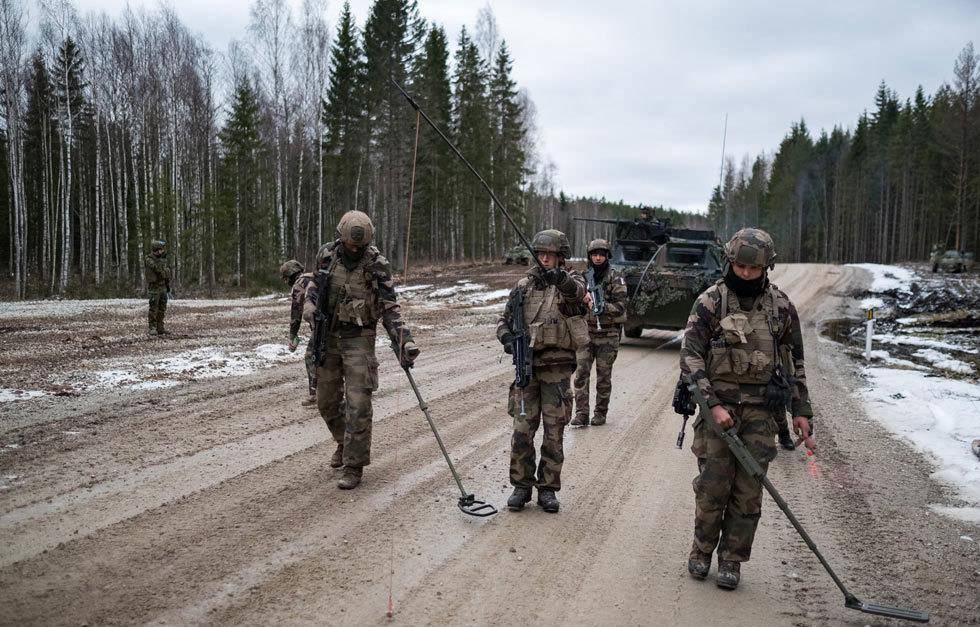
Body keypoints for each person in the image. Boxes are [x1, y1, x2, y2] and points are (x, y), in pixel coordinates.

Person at [680, 227, 815, 590]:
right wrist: (712, 404)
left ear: (766, 267)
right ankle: (701, 550)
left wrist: (802, 411)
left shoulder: (781, 307)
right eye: (740, 266)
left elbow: (795, 363)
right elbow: (690, 356)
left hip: (760, 415)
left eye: (753, 268)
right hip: (718, 412)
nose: (745, 273)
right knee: (712, 488)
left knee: (748, 494)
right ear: (730, 261)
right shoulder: (711, 302)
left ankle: (731, 560)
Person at [303, 211, 419, 490]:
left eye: (360, 246)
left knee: (358, 404)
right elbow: (315, 284)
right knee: (326, 401)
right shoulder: (327, 255)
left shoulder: (377, 264)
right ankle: (344, 442)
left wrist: (404, 340)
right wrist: (309, 303)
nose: (355, 250)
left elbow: (390, 307)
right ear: (341, 237)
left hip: (359, 338)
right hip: (328, 336)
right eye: (350, 245)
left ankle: (353, 465)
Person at [497, 230, 588, 513]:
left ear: (561, 256)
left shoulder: (571, 280)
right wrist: (507, 338)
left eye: (550, 254)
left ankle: (547, 488)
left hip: (557, 371)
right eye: (540, 254)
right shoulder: (524, 286)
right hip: (527, 369)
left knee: (554, 432)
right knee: (522, 430)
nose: (544, 259)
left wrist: (559, 279)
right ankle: (521, 486)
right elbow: (503, 320)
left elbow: (577, 294)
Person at [571, 238, 628, 426]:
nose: (597, 258)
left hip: (608, 335)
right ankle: (581, 413)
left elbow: (621, 306)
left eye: (601, 255)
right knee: (581, 375)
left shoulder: (615, 277)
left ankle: (600, 413)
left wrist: (602, 307)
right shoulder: (583, 277)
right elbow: (573, 302)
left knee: (603, 377)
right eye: (594, 254)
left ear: (607, 256)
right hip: (586, 333)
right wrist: (582, 300)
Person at [281, 259, 317, 407]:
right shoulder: (313, 276)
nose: (285, 282)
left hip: (322, 326)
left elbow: (296, 313)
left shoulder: (299, 284)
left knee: (311, 357)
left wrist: (292, 335)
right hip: (337, 322)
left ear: (290, 275)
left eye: (285, 278)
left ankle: (315, 394)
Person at [144, 240, 172, 336]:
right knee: (153, 308)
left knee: (162, 308)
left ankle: (160, 327)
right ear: (156, 250)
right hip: (154, 288)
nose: (162, 251)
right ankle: (152, 328)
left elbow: (166, 272)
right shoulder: (149, 259)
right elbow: (158, 268)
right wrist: (164, 268)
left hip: (163, 286)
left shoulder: (162, 259)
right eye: (161, 249)